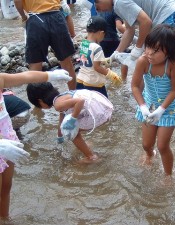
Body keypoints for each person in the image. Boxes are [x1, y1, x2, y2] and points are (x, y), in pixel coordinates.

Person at [0, 69, 72, 220]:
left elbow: (25, 77)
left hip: (8, 139)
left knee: (6, 187)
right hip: (2, 145)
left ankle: (5, 218)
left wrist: (50, 75)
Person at [131, 24, 175, 182]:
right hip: (149, 105)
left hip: (169, 108)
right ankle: (149, 155)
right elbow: (134, 86)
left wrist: (161, 109)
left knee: (162, 146)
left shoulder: (173, 64)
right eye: (148, 48)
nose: (150, 53)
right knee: (147, 144)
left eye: (156, 51)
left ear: (169, 51)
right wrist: (143, 106)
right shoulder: (143, 62)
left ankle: (168, 175)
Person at [26, 82, 114, 164]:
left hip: (99, 114)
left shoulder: (58, 105)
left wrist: (72, 119)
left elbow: (80, 101)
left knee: (71, 132)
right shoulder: (62, 97)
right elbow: (62, 116)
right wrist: (59, 136)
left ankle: (91, 157)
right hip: (105, 106)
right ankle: (84, 146)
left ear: (40, 101)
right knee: (70, 128)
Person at [94, 0, 175, 63]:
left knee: (162, 62)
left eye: (97, 7)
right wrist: (115, 54)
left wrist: (138, 48)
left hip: (167, 17)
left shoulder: (119, 3)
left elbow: (146, 22)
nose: (100, 11)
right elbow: (129, 30)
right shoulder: (118, 5)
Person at [14, 0, 77, 90]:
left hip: (35, 18)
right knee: (67, 63)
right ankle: (73, 94)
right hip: (56, 16)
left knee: (35, 66)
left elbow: (17, 1)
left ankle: (38, 101)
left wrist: (23, 16)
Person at [76, 16, 122, 97]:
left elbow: (86, 59)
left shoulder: (84, 43)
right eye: (104, 35)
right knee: (104, 105)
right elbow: (96, 67)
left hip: (81, 80)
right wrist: (110, 74)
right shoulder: (97, 48)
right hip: (93, 84)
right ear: (101, 33)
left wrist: (103, 60)